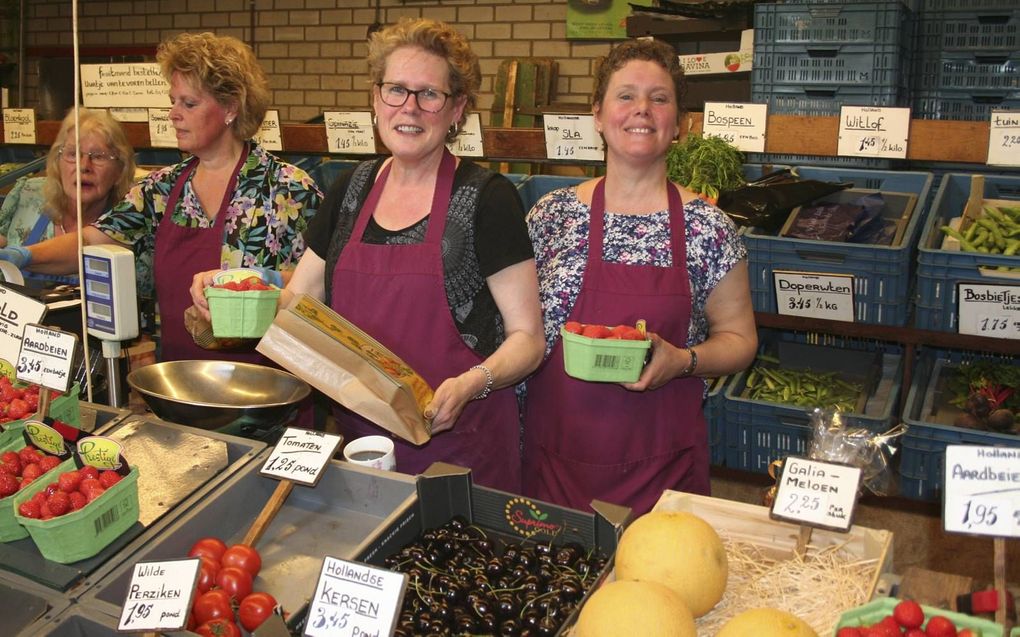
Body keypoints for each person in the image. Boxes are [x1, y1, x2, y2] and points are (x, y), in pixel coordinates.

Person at [198, 18, 544, 491]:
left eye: (429, 94)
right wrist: (229, 296)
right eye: (396, 90)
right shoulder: (351, 191)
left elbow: (528, 338)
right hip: (363, 447)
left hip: (461, 450)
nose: (410, 108)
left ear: (457, 108)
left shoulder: (487, 198)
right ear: (376, 98)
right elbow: (298, 304)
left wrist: (472, 383)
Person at [523, 39, 758, 514]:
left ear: (682, 124)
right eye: (625, 95)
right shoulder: (551, 217)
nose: (642, 110)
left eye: (660, 97)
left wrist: (683, 361)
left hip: (660, 478)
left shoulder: (708, 229)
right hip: (552, 468)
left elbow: (740, 340)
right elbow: (516, 331)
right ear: (597, 114)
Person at [0, 32, 322, 362]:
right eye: (173, 100)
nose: (173, 114)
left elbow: (321, 289)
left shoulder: (288, 190)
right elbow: (93, 240)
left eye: (189, 103)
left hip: (265, 389)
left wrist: (262, 283)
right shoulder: (164, 188)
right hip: (178, 382)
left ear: (230, 108)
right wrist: (20, 255)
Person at [0, 108, 136, 285]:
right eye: (72, 154)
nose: (83, 166)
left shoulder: (132, 218)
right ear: (57, 162)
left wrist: (25, 256)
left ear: (120, 170)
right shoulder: (28, 194)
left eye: (99, 157)